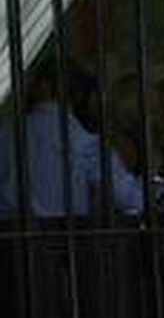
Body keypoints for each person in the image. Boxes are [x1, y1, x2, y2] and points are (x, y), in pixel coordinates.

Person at [0, 64, 144, 218]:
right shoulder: (81, 139)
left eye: (32, 82)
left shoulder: (6, 132)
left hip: (8, 233)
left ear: (44, 86)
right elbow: (125, 196)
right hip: (64, 235)